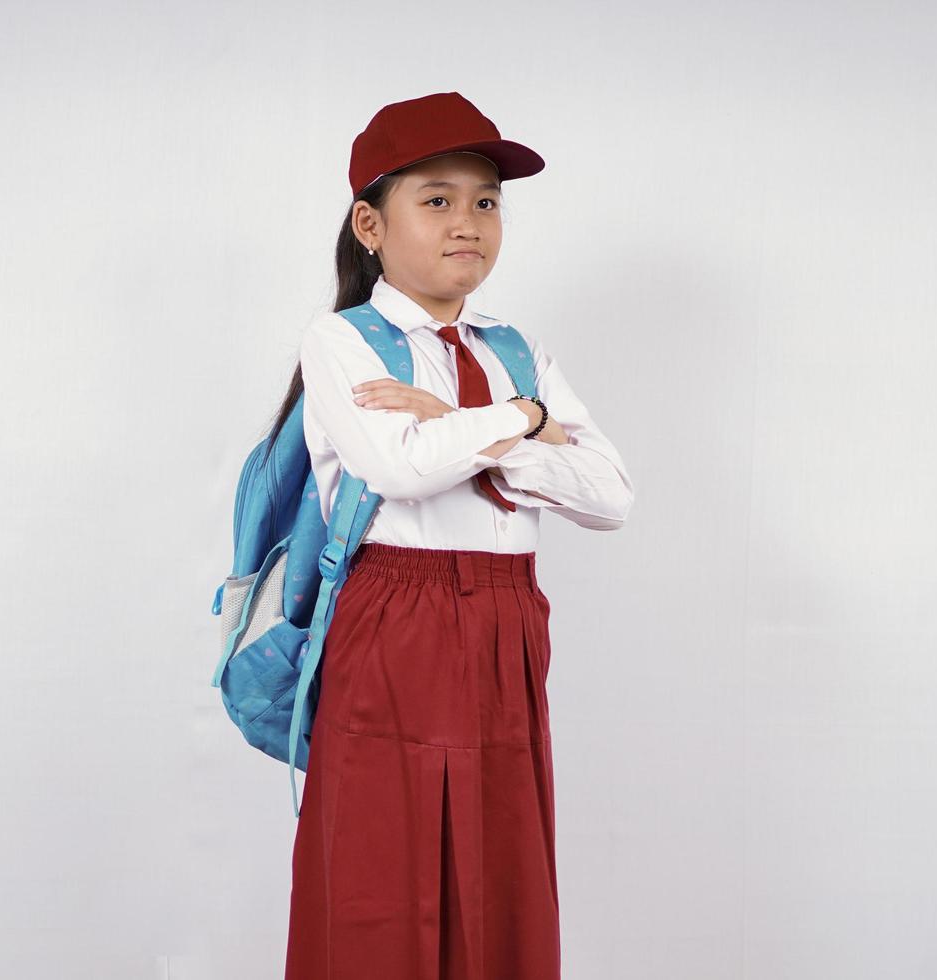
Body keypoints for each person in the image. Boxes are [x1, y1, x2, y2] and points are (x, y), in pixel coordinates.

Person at [274, 91, 635, 980]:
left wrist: (467, 422)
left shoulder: (519, 345)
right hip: (396, 615)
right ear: (371, 221)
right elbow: (399, 468)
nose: (466, 222)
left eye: (485, 202)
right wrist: (523, 420)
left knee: (500, 859)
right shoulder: (342, 341)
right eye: (435, 200)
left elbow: (611, 494)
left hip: (509, 622)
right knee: (381, 873)